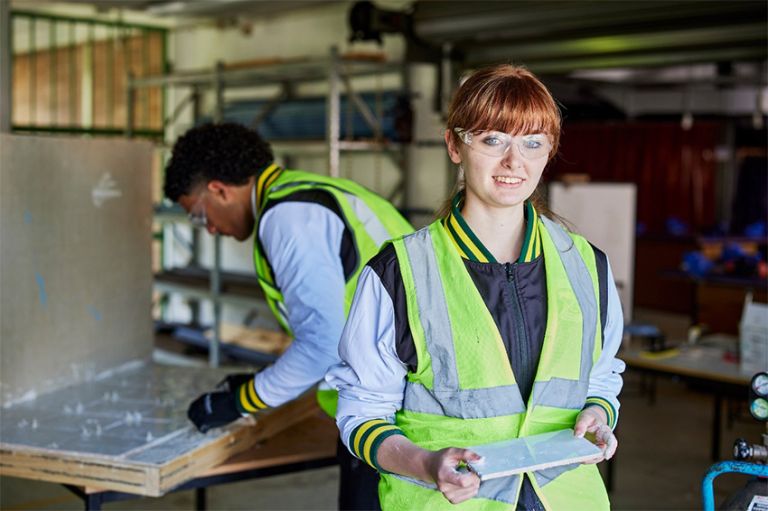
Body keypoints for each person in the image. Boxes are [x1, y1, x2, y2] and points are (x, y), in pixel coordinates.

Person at [326, 64, 625, 510]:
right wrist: (426, 464)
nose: (514, 162)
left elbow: (601, 377)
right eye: (492, 140)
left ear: (549, 152)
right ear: (454, 145)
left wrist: (598, 415)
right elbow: (361, 413)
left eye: (532, 143)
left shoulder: (586, 264)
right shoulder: (400, 272)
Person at [163, 122, 413, 510]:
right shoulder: (308, 192)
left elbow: (323, 345)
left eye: (199, 215)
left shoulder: (287, 217)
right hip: (403, 399)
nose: (209, 229)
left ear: (218, 189)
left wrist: (244, 399)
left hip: (391, 415)